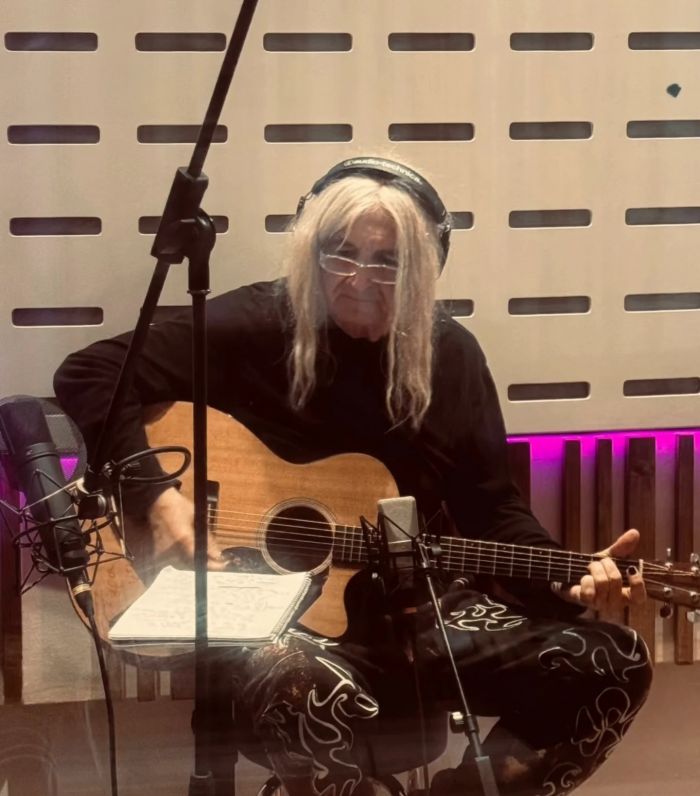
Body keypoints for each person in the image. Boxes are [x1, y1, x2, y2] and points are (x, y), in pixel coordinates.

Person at [54, 157, 652, 796]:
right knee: (307, 691)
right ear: (311, 252)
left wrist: (566, 578)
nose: (360, 279)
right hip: (278, 621)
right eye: (340, 253)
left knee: (616, 664)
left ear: (424, 269)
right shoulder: (258, 324)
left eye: (388, 261)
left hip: (417, 610)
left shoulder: (450, 357)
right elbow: (90, 374)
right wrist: (159, 498)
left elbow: (492, 506)